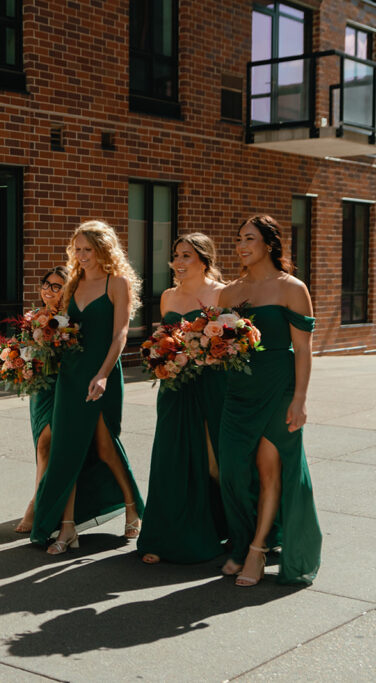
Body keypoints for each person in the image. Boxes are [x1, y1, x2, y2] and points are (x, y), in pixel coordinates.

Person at [217, 215, 321, 586]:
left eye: (249, 238)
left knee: (268, 469)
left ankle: (258, 550)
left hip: (279, 388)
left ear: (269, 244)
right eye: (239, 239)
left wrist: (300, 399)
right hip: (238, 391)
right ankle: (245, 539)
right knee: (231, 471)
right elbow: (223, 346)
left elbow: (304, 351)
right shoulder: (229, 293)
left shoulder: (292, 288)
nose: (242, 245)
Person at [30, 221, 145, 554]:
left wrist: (104, 374)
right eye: (77, 249)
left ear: (103, 250)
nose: (81, 256)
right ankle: (67, 529)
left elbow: (120, 334)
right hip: (71, 374)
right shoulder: (75, 281)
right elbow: (62, 325)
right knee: (68, 449)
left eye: (87, 250)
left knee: (106, 448)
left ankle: (131, 504)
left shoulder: (117, 282)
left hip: (102, 372)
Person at [138, 234, 227, 564]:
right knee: (171, 457)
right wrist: (160, 354)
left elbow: (231, 340)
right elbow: (164, 337)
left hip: (211, 385)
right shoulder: (168, 297)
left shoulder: (221, 293)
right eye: (175, 255)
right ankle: (165, 536)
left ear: (204, 259)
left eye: (186, 255)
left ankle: (227, 526)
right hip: (174, 386)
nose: (177, 261)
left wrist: (205, 354)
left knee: (214, 459)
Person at [15, 266, 69, 534]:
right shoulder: (33, 318)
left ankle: (36, 505)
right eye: (46, 284)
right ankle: (44, 501)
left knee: (49, 447)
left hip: (62, 387)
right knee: (42, 447)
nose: (48, 290)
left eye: (57, 286)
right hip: (39, 390)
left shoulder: (69, 321)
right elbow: (27, 351)